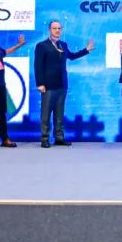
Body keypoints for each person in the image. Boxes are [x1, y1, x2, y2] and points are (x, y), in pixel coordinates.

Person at [33, 20, 94, 148]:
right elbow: (38, 66)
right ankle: (44, 138)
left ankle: (59, 137)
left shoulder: (63, 45)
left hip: (62, 84)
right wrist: (40, 83)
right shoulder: (42, 46)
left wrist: (86, 50)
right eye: (54, 28)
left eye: (59, 28)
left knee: (59, 113)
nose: (57, 30)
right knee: (46, 113)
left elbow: (71, 56)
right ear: (49, 30)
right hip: (48, 85)